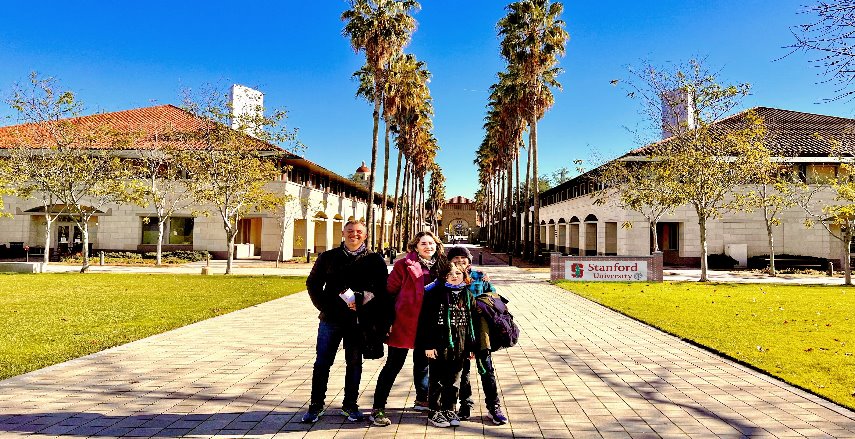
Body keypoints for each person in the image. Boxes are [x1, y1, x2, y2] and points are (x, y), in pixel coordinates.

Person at [301, 220, 389, 423]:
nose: (354, 235)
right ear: (343, 233)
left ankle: (350, 405)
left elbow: (383, 289)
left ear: (365, 235)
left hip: (359, 321)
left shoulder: (375, 260)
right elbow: (313, 283)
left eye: (359, 232)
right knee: (323, 362)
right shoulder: (328, 257)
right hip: (331, 318)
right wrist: (325, 307)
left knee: (354, 363)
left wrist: (367, 298)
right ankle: (316, 405)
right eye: (350, 231)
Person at [369, 231, 446, 427]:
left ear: (436, 245)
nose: (428, 246)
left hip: (429, 325)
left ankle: (422, 399)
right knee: (393, 365)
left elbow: (460, 279)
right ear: (415, 246)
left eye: (431, 243)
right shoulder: (404, 265)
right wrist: (390, 319)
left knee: (423, 364)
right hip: (405, 322)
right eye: (423, 243)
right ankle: (378, 407)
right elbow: (389, 292)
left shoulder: (443, 266)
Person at [447, 246, 509, 426]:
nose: (460, 261)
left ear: (469, 261)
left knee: (486, 368)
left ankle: (493, 406)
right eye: (455, 258)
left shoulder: (479, 276)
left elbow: (495, 299)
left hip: (481, 331)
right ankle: (465, 404)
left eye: (463, 258)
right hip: (458, 330)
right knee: (462, 370)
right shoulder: (446, 276)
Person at [418, 262, 476, 428]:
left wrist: (471, 346)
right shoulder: (435, 294)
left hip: (460, 346)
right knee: (436, 380)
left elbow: (471, 323)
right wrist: (428, 345)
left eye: (458, 273)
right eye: (451, 274)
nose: (455, 276)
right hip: (438, 344)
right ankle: (434, 411)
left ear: (464, 276)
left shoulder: (467, 294)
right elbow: (425, 321)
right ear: (444, 277)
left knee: (454, 380)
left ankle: (449, 409)